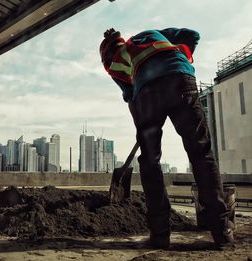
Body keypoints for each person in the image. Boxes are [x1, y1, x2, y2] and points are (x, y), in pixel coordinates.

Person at [99, 28, 234, 249]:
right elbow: (193, 36)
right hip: (181, 78)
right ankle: (222, 230)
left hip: (148, 94)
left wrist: (144, 131)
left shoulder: (113, 65)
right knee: (201, 153)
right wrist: (183, 60)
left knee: (150, 162)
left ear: (105, 56)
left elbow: (131, 99)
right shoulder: (152, 34)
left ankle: (160, 235)